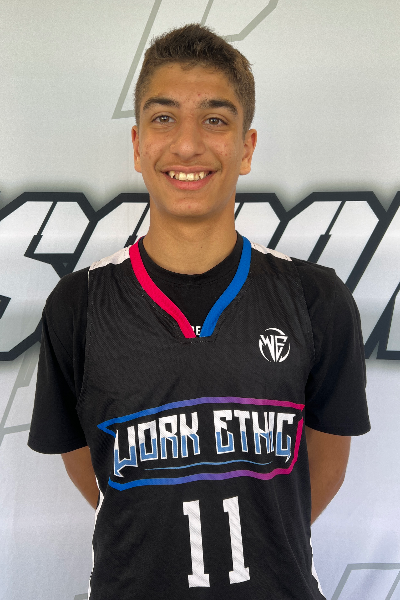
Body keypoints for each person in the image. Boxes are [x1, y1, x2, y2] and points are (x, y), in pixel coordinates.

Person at [28, 24, 370, 600]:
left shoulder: (316, 298)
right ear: (138, 145)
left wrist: (263, 536)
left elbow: (327, 466)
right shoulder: (78, 304)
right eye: (164, 118)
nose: (187, 146)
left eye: (215, 119)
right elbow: (91, 465)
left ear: (246, 147)